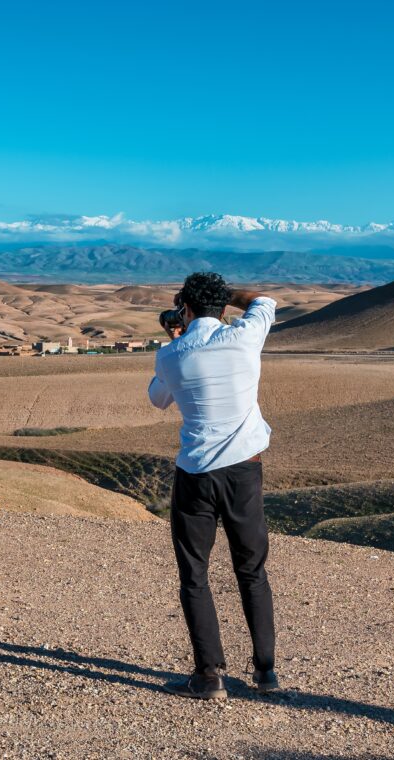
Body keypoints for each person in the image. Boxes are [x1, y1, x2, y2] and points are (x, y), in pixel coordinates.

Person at [147, 271, 279, 700]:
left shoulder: (170, 355)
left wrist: (175, 337)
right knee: (251, 571)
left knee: (194, 576)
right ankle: (266, 672)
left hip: (196, 476)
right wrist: (227, 297)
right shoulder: (244, 336)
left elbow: (157, 398)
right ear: (223, 308)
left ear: (183, 308)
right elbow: (265, 301)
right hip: (244, 472)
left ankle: (209, 676)